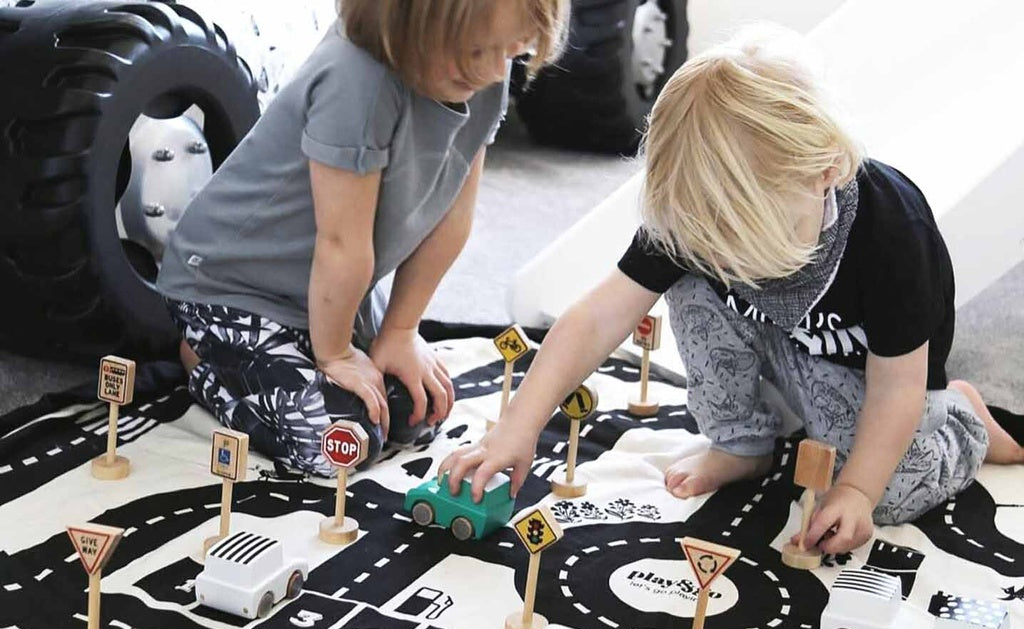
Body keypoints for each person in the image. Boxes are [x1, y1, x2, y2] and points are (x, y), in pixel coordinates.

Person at [439, 24, 1023, 555]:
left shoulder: (892, 231)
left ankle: (963, 418)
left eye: (741, 240)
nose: (720, 259)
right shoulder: (697, 211)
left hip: (874, 378)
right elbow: (596, 319)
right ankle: (742, 445)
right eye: (708, 241)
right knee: (692, 286)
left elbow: (897, 387)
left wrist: (857, 491)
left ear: (825, 171)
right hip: (783, 351)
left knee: (888, 494)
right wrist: (516, 428)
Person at [158, 0, 568, 477]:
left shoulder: (484, 74)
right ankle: (205, 360)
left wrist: (401, 330)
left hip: (334, 291)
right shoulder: (355, 78)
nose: (496, 71)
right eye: (478, 51)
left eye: (513, 52)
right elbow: (340, 244)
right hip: (229, 289)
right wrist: (334, 354)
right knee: (342, 444)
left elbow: (453, 218)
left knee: (415, 412)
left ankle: (282, 357)